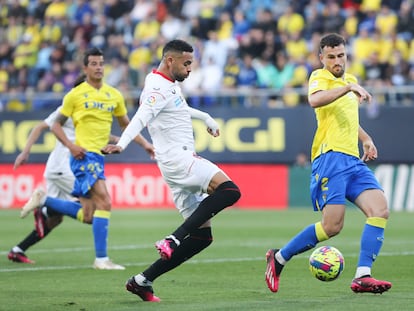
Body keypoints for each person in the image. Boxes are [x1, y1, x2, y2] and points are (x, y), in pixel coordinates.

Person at [102, 39, 241, 302]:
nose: (190, 69)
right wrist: (120, 144)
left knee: (201, 236)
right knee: (230, 190)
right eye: (186, 64)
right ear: (170, 61)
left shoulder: (167, 85)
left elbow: (178, 108)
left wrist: (206, 118)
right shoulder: (156, 88)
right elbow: (141, 117)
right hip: (179, 160)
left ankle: (142, 281)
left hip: (174, 165)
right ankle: (174, 238)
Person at [265, 33, 392, 294]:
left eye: (341, 55)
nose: (337, 61)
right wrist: (347, 88)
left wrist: (366, 139)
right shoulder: (319, 78)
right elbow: (314, 100)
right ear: (321, 57)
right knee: (332, 226)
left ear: (346, 55)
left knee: (379, 209)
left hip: (352, 160)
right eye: (331, 57)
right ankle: (279, 258)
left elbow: (348, 119)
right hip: (330, 157)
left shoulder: (351, 81)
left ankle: (362, 276)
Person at [21, 47, 154, 270]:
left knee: (91, 213)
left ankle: (46, 201)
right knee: (106, 201)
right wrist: (71, 146)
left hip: (98, 158)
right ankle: (101, 260)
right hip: (84, 156)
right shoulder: (74, 95)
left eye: (101, 63)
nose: (99, 67)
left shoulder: (114, 95)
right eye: (94, 63)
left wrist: (146, 144)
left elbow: (126, 126)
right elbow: (54, 125)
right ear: (85, 68)